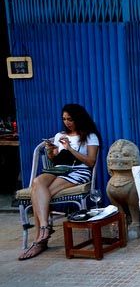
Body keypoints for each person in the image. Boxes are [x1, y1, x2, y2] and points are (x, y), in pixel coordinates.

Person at [19, 104, 100, 260]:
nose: (67, 122)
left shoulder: (90, 136)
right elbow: (54, 158)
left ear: (79, 118)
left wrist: (69, 148)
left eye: (70, 119)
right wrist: (51, 151)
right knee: (37, 182)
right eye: (64, 119)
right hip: (58, 170)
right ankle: (45, 227)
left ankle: (39, 240)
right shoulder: (59, 135)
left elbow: (90, 162)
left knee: (39, 195)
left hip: (78, 171)